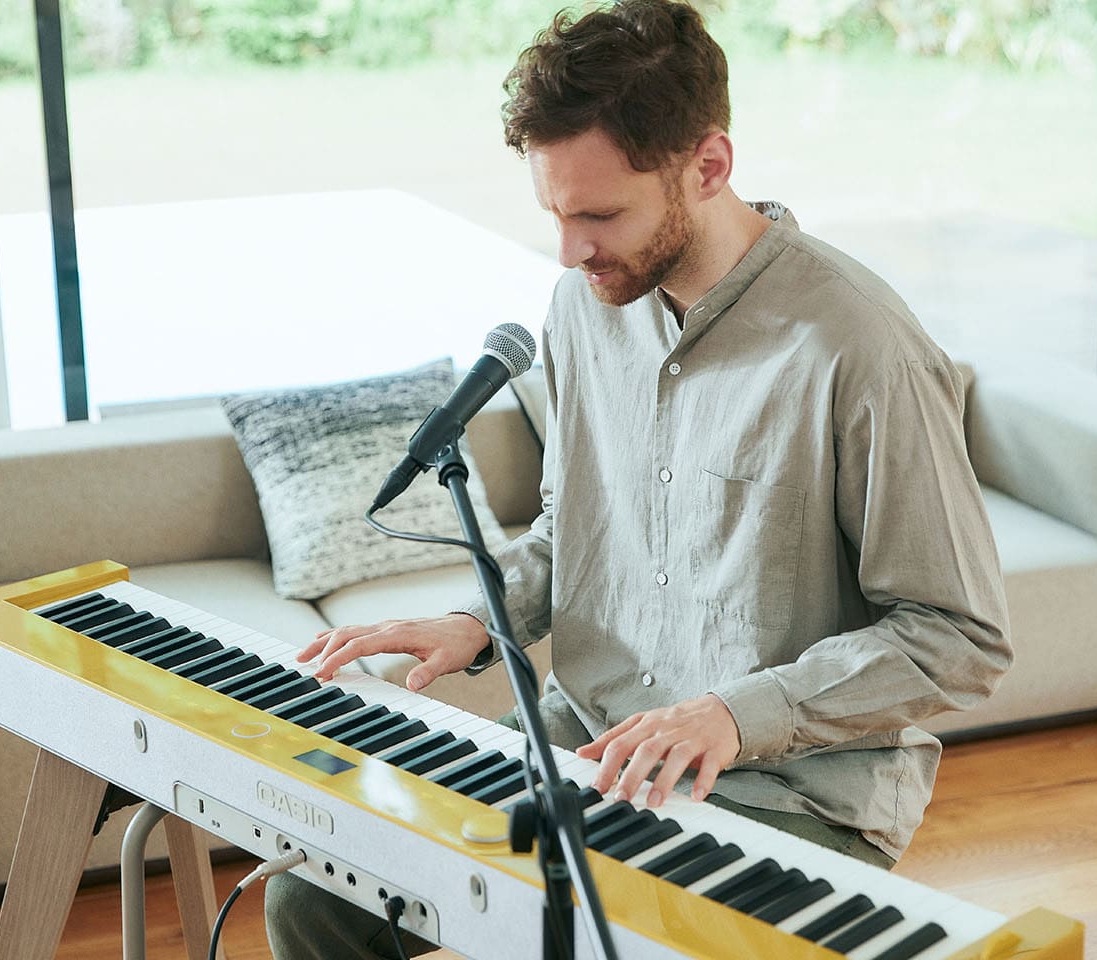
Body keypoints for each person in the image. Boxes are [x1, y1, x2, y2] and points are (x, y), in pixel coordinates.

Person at [265, 2, 1011, 956]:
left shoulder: (861, 350)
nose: (571, 251)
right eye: (555, 214)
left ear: (708, 165)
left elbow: (962, 637)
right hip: (595, 747)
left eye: (601, 214)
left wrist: (736, 716)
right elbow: (575, 531)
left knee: (589, 937)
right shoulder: (583, 308)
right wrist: (482, 621)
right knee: (316, 902)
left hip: (787, 790)